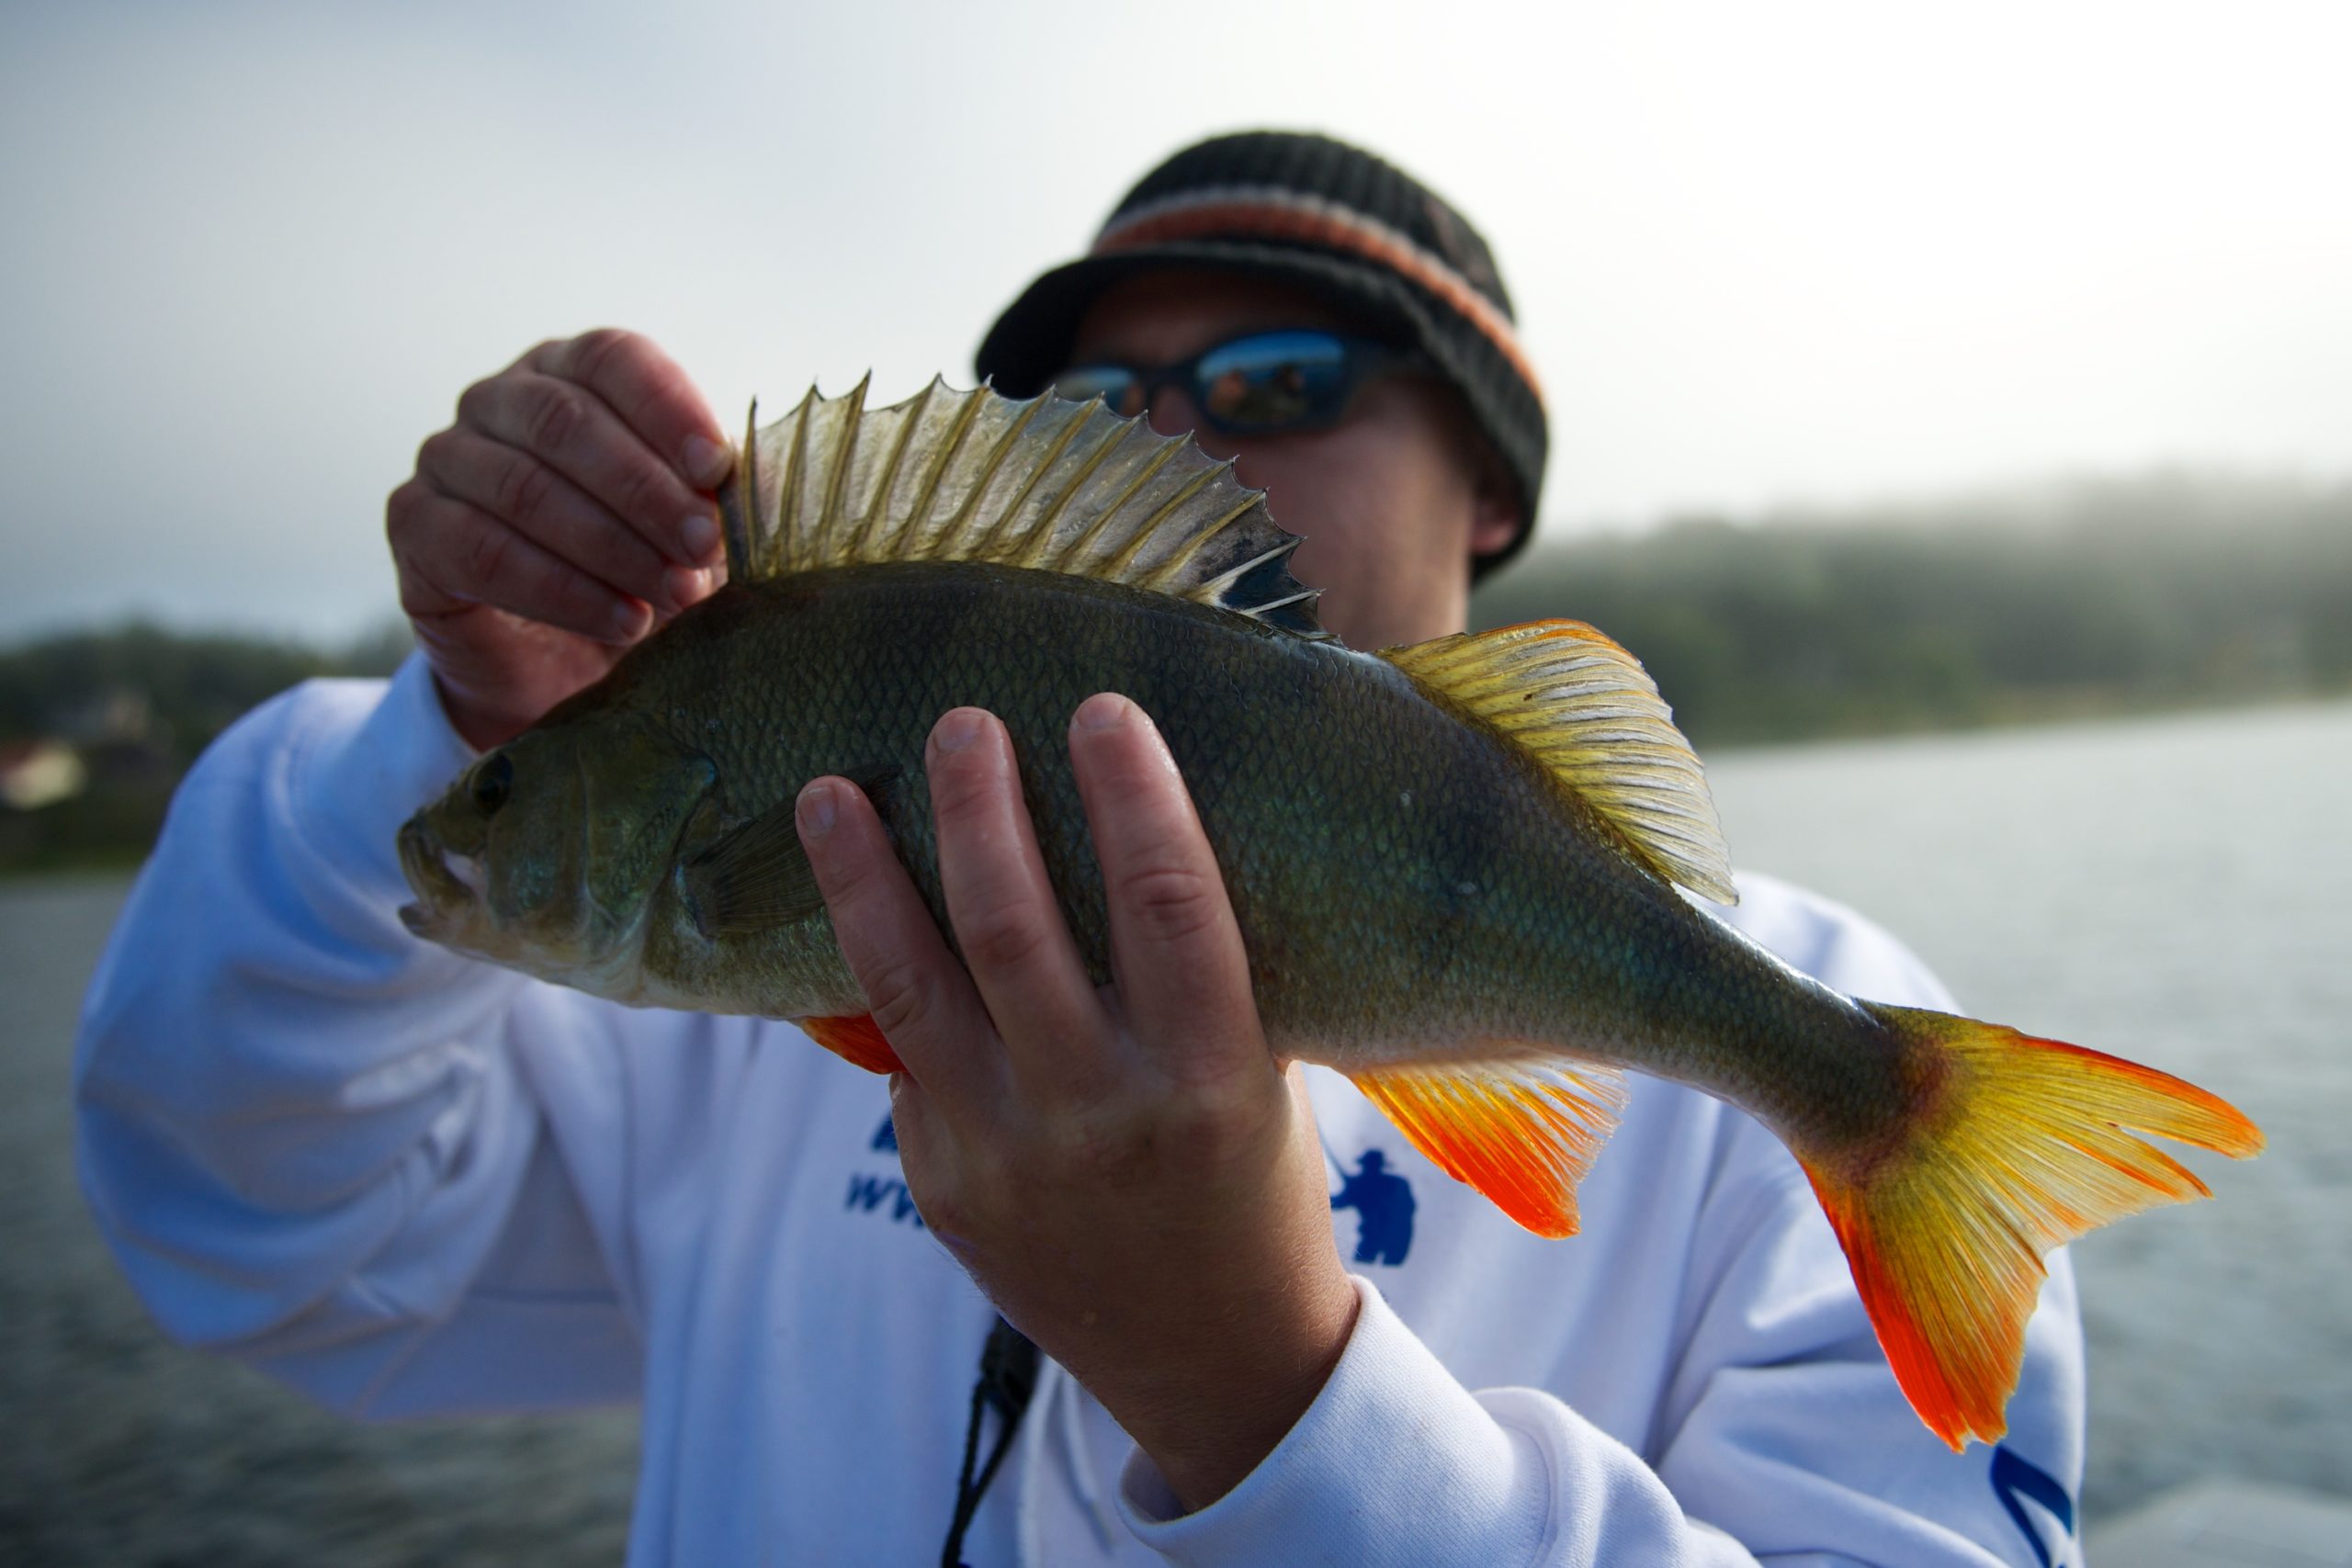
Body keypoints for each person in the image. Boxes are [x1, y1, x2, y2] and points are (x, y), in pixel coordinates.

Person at [75, 131, 2086, 1566]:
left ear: (1487, 474)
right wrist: (463, 738)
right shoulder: (730, 1029)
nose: (1182, 441)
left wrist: (1265, 1389)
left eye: (1278, 382)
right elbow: (265, 1227)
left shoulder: (1825, 1030)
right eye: (1102, 400)